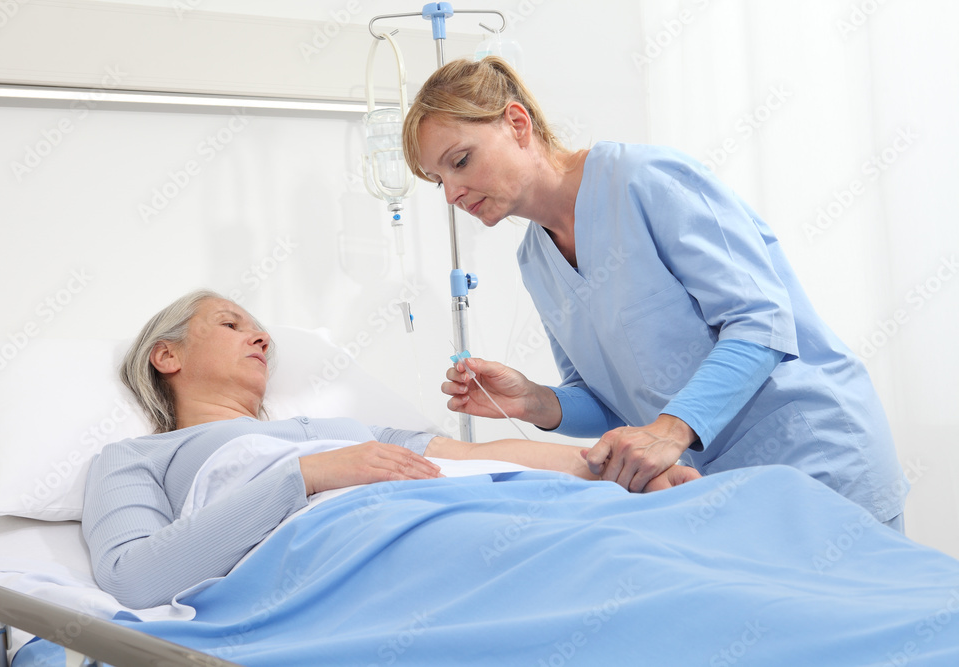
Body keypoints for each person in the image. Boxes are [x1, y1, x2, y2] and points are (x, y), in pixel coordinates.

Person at [401, 56, 908, 531]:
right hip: (715, 487)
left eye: (460, 161)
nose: (451, 194)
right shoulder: (535, 259)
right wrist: (536, 401)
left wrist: (669, 430)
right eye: (436, 179)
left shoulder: (645, 182)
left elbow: (762, 322)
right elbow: (612, 401)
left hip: (814, 458)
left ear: (517, 123)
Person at [82, 290, 699, 608]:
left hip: (459, 508)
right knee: (605, 569)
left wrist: (615, 467)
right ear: (168, 355)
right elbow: (134, 579)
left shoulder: (342, 428)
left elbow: (470, 459)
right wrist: (309, 475)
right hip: (355, 541)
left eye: (260, 327)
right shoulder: (136, 459)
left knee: (633, 538)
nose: (262, 336)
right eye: (232, 323)